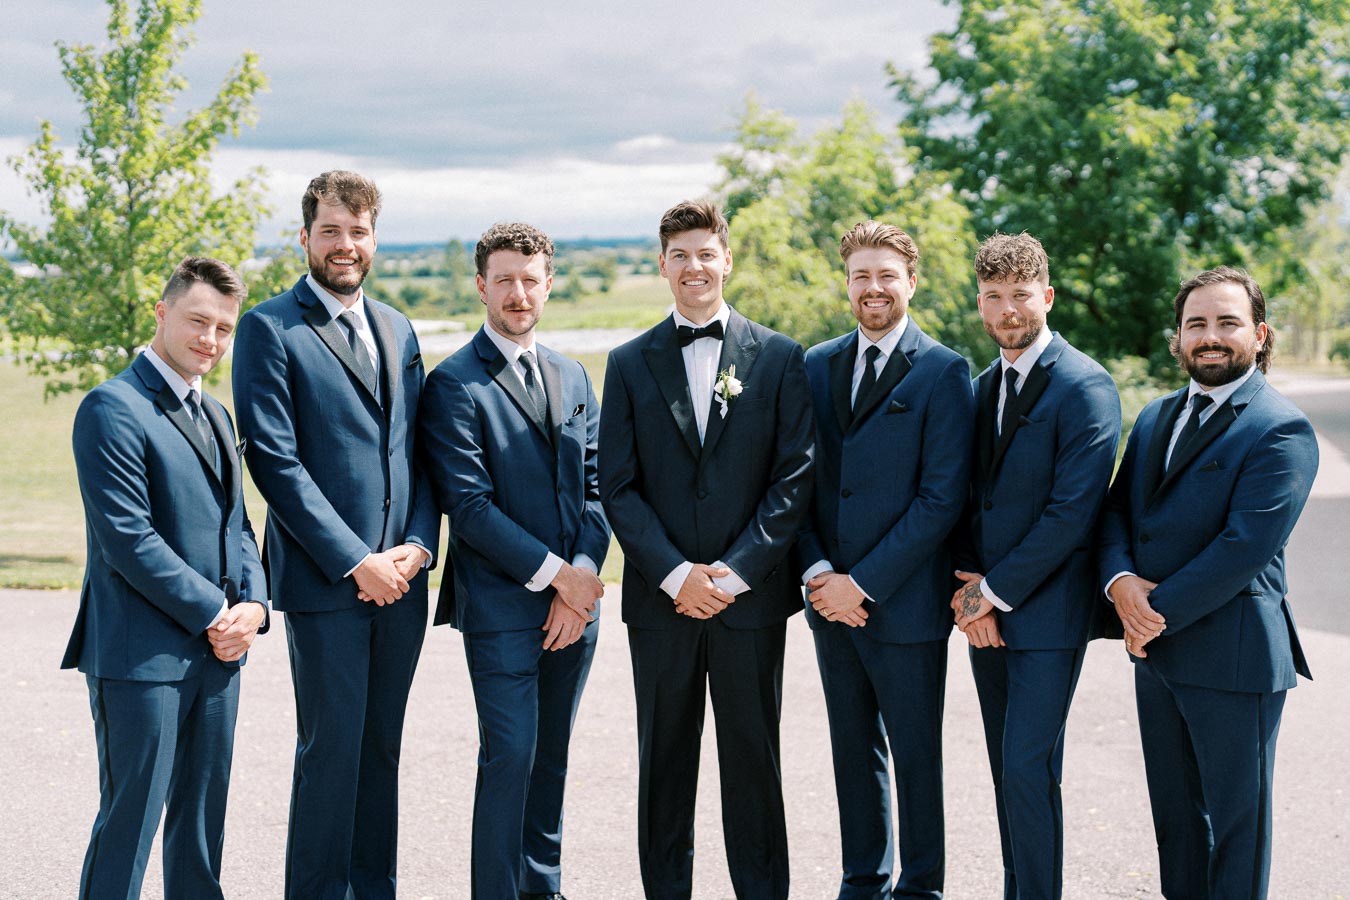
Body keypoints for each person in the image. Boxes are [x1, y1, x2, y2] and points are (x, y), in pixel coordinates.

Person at [598, 199, 814, 900]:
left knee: (755, 765)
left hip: (747, 603)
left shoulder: (780, 358)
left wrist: (738, 571)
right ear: (663, 266)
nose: (695, 267)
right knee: (664, 767)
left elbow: (793, 476)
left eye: (706, 253)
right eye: (680, 255)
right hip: (662, 607)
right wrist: (672, 575)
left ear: (728, 260)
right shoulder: (629, 363)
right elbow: (617, 485)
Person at [232, 170, 439, 899]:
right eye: (330, 231)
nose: (344, 245)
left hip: (403, 584)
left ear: (373, 238)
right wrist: (357, 561)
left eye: (357, 231)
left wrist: (417, 547)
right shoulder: (268, 328)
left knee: (381, 749)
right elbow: (276, 463)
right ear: (305, 238)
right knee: (332, 751)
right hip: (328, 585)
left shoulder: (398, 327)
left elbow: (418, 451)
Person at [1100, 266, 1318, 899]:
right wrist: (1118, 583)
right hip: (1159, 657)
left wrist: (1147, 614)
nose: (1210, 336)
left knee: (1236, 831)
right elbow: (1114, 512)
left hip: (1234, 657)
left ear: (1260, 333)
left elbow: (1243, 548)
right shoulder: (1156, 417)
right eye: (1196, 323)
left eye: (1227, 322)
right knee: (1177, 826)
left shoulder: (1280, 428)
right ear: (1178, 338)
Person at [63, 256, 267, 899]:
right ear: (161, 313)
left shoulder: (217, 416)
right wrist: (216, 612)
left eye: (224, 328)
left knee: (202, 834)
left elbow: (238, 527)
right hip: (140, 656)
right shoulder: (112, 408)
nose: (210, 339)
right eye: (197, 321)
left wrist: (254, 606)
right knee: (130, 824)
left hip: (219, 655)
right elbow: (129, 540)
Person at [418, 222, 608, 900]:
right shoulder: (454, 385)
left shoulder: (574, 373)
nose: (518, 293)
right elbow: (468, 509)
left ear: (549, 283)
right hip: (500, 608)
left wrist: (579, 583)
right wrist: (562, 578)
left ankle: (543, 888)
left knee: (551, 761)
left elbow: (595, 490)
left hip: (574, 611)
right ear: (481, 286)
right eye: (504, 280)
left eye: (531, 280)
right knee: (510, 758)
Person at [796, 220, 974, 898]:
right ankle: (862, 881)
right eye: (860, 276)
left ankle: (922, 886)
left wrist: (863, 584)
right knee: (852, 752)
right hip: (826, 600)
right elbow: (800, 483)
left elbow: (941, 497)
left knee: (915, 752)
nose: (873, 288)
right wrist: (818, 575)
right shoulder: (815, 366)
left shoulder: (943, 370)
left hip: (903, 603)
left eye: (886, 276)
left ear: (912, 282)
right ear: (847, 283)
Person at [950, 232, 1120, 899]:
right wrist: (968, 600)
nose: (1007, 311)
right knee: (1004, 767)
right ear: (981, 305)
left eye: (1020, 295)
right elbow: (965, 496)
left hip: (1046, 613)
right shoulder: (981, 383)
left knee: (1027, 765)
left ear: (1045, 296)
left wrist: (993, 592)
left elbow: (1071, 513)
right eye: (994, 298)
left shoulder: (1085, 385)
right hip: (983, 614)